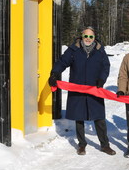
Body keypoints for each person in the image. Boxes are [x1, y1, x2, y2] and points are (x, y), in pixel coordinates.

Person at [48, 27, 116, 156]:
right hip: (77, 88)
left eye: (91, 37)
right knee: (79, 118)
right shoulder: (74, 50)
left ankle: (105, 145)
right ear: (81, 36)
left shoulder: (100, 51)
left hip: (95, 88)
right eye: (86, 36)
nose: (88, 39)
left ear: (94, 38)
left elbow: (105, 66)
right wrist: (55, 73)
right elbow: (62, 62)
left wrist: (102, 79)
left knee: (99, 118)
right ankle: (82, 145)